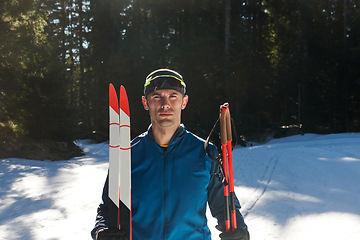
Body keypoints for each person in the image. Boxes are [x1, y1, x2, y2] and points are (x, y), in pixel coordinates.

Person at [91, 69, 250, 240]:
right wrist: (101, 230)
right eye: (157, 96)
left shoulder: (206, 153)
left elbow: (225, 205)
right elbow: (108, 208)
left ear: (184, 102)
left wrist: (239, 230)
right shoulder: (126, 155)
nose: (165, 104)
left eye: (173, 96)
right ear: (145, 103)